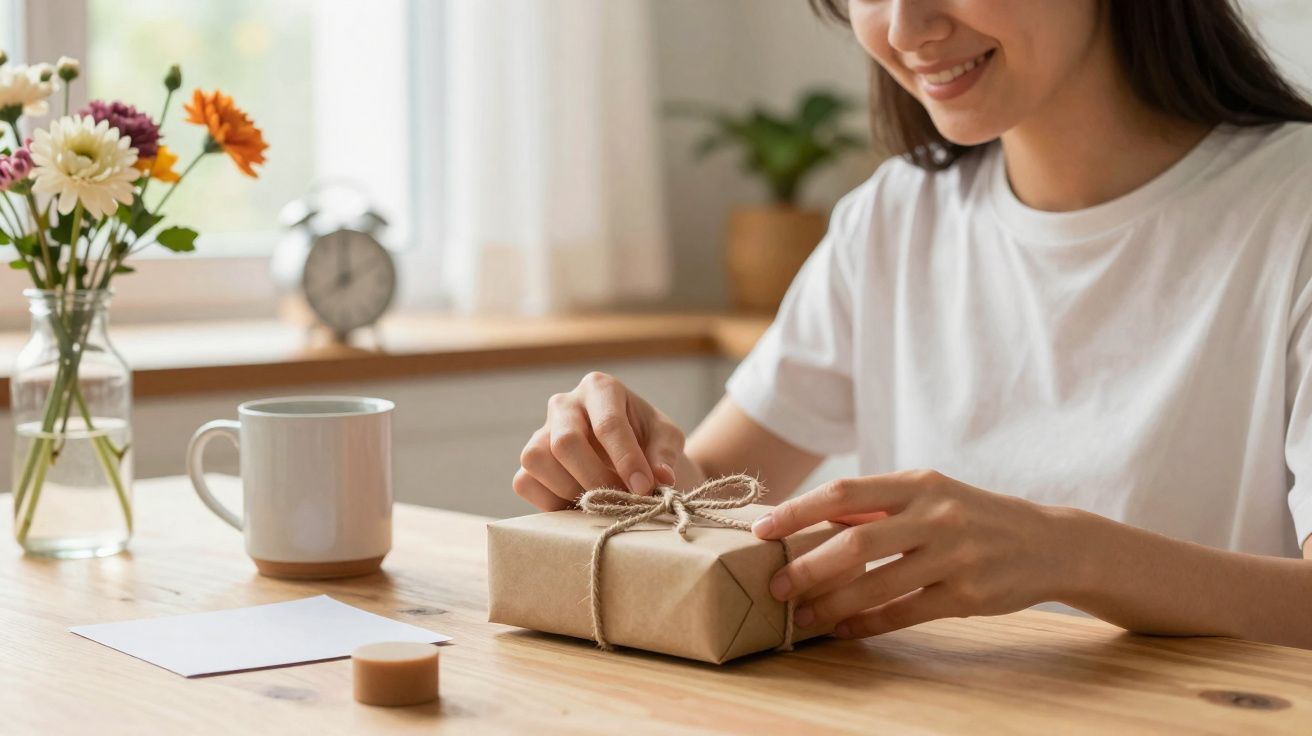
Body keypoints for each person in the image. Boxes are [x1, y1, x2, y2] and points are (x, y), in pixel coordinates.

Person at [514, 0, 1312, 649]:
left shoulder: (1292, 209)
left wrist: (1070, 554)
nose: (904, 29)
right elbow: (711, 500)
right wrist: (625, 464)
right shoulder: (895, 217)